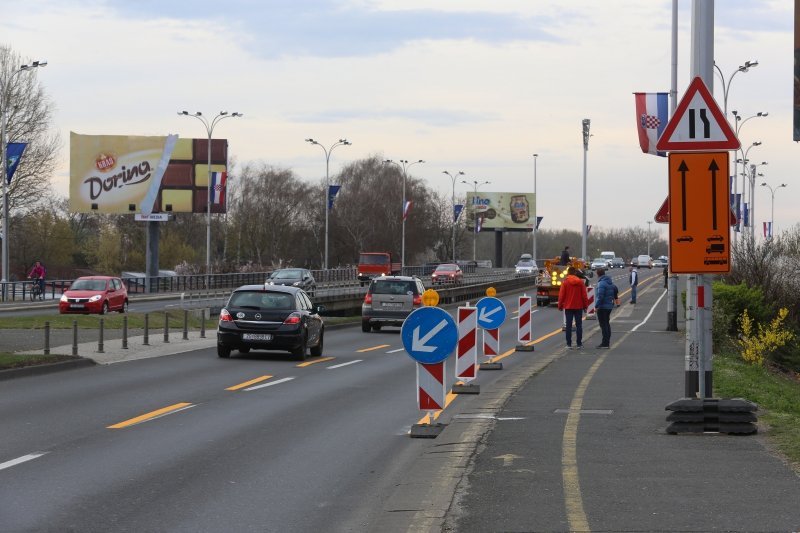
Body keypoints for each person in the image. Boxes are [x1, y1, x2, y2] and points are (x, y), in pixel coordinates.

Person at [558, 266, 589, 349]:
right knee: (579, 325)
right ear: (575, 273)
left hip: (568, 307)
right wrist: (585, 306)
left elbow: (561, 296)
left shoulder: (565, 282)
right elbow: (584, 295)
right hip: (578, 306)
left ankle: (569, 344)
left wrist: (560, 305)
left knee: (568, 326)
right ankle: (579, 344)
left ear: (568, 273)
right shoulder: (581, 282)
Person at [594, 268, 618, 349]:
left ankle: (605, 343)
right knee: (607, 324)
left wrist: (596, 306)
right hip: (609, 306)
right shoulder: (610, 282)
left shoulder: (601, 283)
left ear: (598, 274)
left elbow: (600, 296)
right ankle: (607, 342)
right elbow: (615, 290)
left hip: (603, 307)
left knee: (603, 325)